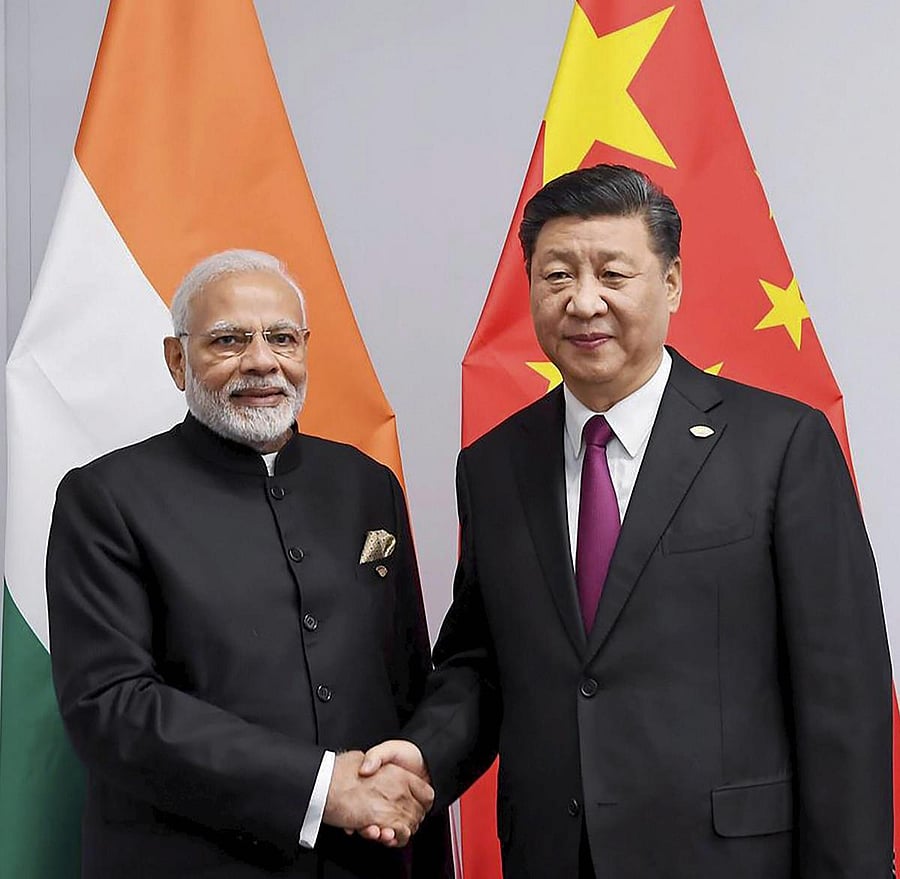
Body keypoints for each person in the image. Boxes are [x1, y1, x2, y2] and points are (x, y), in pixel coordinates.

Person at [360, 165, 893, 878]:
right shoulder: (493, 465)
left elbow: (843, 694)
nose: (584, 302)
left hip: (731, 859)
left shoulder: (780, 445)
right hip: (554, 855)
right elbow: (481, 662)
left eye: (613, 274)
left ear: (670, 283)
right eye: (557, 276)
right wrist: (423, 753)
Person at [46, 250, 449, 879]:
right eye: (228, 340)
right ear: (177, 360)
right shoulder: (105, 498)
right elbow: (110, 705)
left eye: (282, 339)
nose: (262, 361)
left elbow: (406, 679)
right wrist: (321, 787)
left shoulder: (367, 485)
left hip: (367, 860)